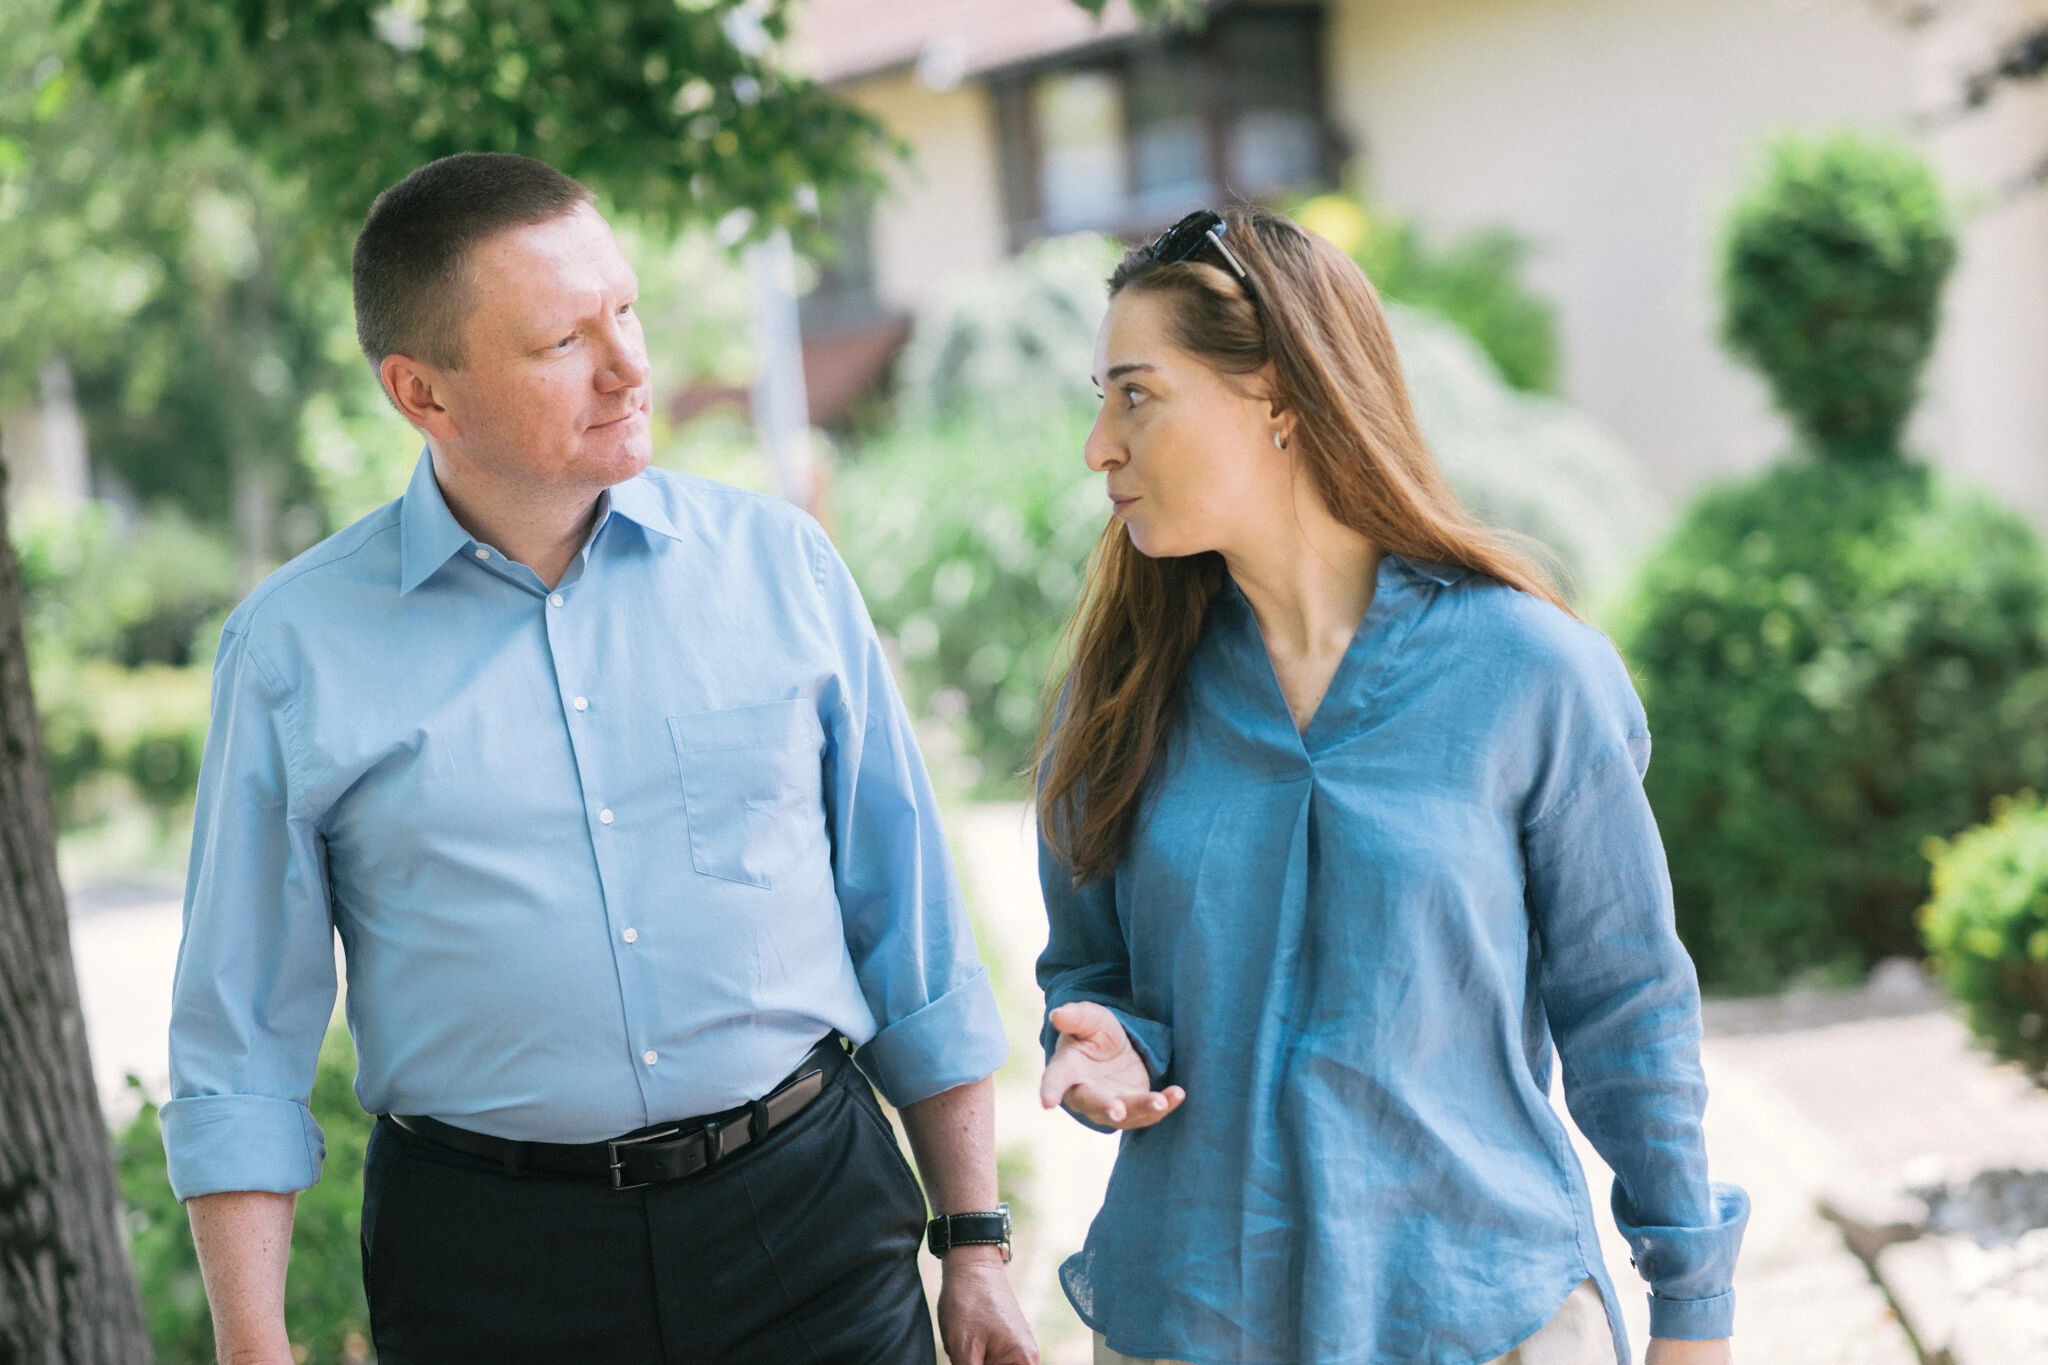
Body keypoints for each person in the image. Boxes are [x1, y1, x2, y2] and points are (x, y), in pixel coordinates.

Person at [164, 152, 1037, 1365]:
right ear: (423, 394)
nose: (630, 364)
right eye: (560, 341)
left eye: (623, 308)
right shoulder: (292, 650)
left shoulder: (781, 568)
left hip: (809, 1222)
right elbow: (240, 1033)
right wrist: (250, 1345)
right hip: (492, 1267)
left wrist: (976, 1243)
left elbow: (911, 931)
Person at [1033, 208, 1749, 1365]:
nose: (1097, 446)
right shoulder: (1116, 699)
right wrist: (1103, 1042)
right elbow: (1091, 970)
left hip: (1484, 1316)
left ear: (1276, 396)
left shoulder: (1528, 673)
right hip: (1197, 1320)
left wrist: (1691, 1316)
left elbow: (1627, 1009)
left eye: (1133, 395)